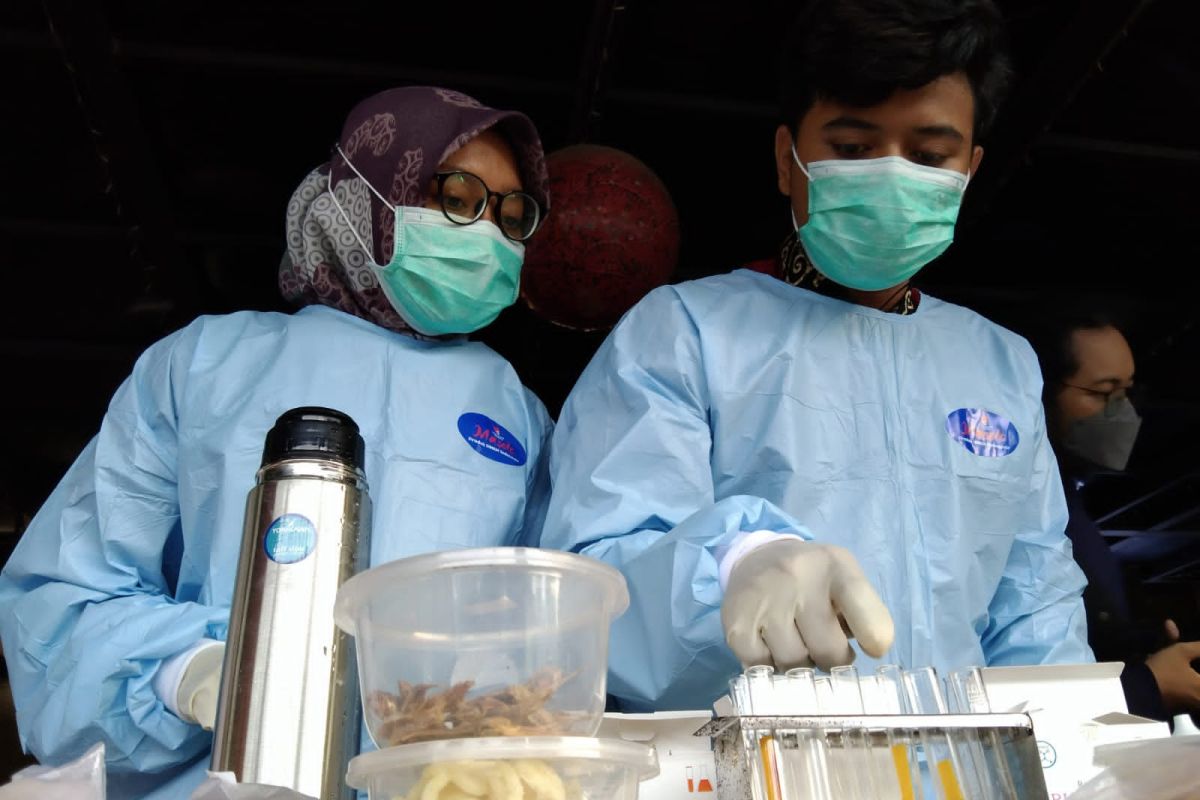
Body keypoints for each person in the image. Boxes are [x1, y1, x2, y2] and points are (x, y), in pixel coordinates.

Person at [0, 86, 554, 799]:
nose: (487, 235)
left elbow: (553, 635)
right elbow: (60, 606)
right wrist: (186, 670)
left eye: (513, 216)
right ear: (363, 200)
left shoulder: (517, 412)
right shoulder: (205, 366)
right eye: (457, 197)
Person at [542, 0, 1093, 711]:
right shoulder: (684, 333)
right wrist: (733, 564)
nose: (892, 176)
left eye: (929, 156)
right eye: (854, 148)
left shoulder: (1000, 363)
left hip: (962, 773)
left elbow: (1036, 603)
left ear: (970, 169)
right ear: (786, 159)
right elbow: (595, 590)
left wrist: (1072, 743)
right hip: (747, 771)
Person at [1029, 310, 1200, 721]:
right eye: (1104, 393)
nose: (1121, 412)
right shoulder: (1024, 509)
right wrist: (1144, 686)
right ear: (1039, 391)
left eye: (1127, 393)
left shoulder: (1069, 501)